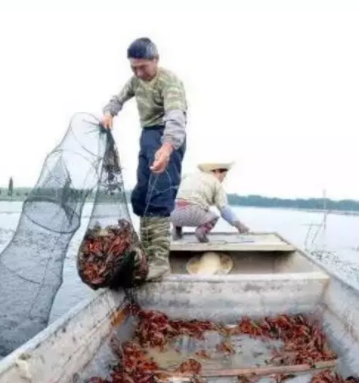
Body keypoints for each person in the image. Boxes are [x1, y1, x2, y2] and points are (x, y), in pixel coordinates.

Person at [100, 37, 187, 281]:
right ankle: (146, 252)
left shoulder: (169, 82)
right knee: (142, 195)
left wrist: (167, 148)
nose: (138, 72)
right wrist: (109, 113)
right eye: (133, 67)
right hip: (148, 136)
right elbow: (118, 99)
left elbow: (176, 118)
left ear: (155, 60)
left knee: (159, 196)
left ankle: (159, 262)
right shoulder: (135, 81)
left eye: (143, 67)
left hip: (168, 136)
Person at [170, 162, 250, 243]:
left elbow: (175, 194)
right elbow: (224, 210)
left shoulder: (188, 176)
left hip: (174, 215)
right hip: (193, 213)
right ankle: (201, 231)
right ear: (216, 172)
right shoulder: (216, 183)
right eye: (224, 176)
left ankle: (177, 231)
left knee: (179, 205)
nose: (223, 179)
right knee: (214, 217)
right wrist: (239, 225)